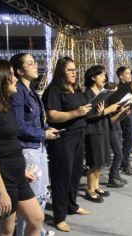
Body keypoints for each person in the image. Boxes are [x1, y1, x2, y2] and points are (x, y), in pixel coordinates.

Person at [0, 59, 44, 236]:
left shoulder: (5, 107)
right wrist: (1, 192)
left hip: (15, 176)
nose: (15, 80)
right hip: (0, 181)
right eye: (11, 76)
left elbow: (9, 143)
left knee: (36, 219)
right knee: (5, 231)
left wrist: (20, 172)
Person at [9, 53, 58, 236]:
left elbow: (35, 120)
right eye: (30, 63)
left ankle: (36, 229)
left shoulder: (29, 90)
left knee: (42, 193)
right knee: (31, 197)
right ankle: (25, 232)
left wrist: (46, 128)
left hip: (38, 146)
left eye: (35, 62)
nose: (36, 66)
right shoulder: (18, 93)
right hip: (28, 149)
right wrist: (43, 133)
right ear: (20, 70)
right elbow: (19, 126)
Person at [42, 57, 92, 232]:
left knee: (76, 174)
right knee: (62, 177)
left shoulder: (76, 88)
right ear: (61, 71)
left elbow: (84, 109)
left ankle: (72, 205)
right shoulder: (54, 89)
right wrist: (76, 112)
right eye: (70, 70)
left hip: (79, 133)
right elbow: (52, 116)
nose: (74, 72)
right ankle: (59, 217)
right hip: (63, 137)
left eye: (75, 69)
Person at [84, 65, 119, 202]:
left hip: (102, 129)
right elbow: (87, 116)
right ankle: (89, 189)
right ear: (93, 77)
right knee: (94, 161)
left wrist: (111, 111)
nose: (105, 77)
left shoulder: (101, 93)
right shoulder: (87, 94)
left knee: (101, 161)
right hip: (93, 131)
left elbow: (103, 113)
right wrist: (105, 111)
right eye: (101, 75)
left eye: (105, 75)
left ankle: (96, 185)